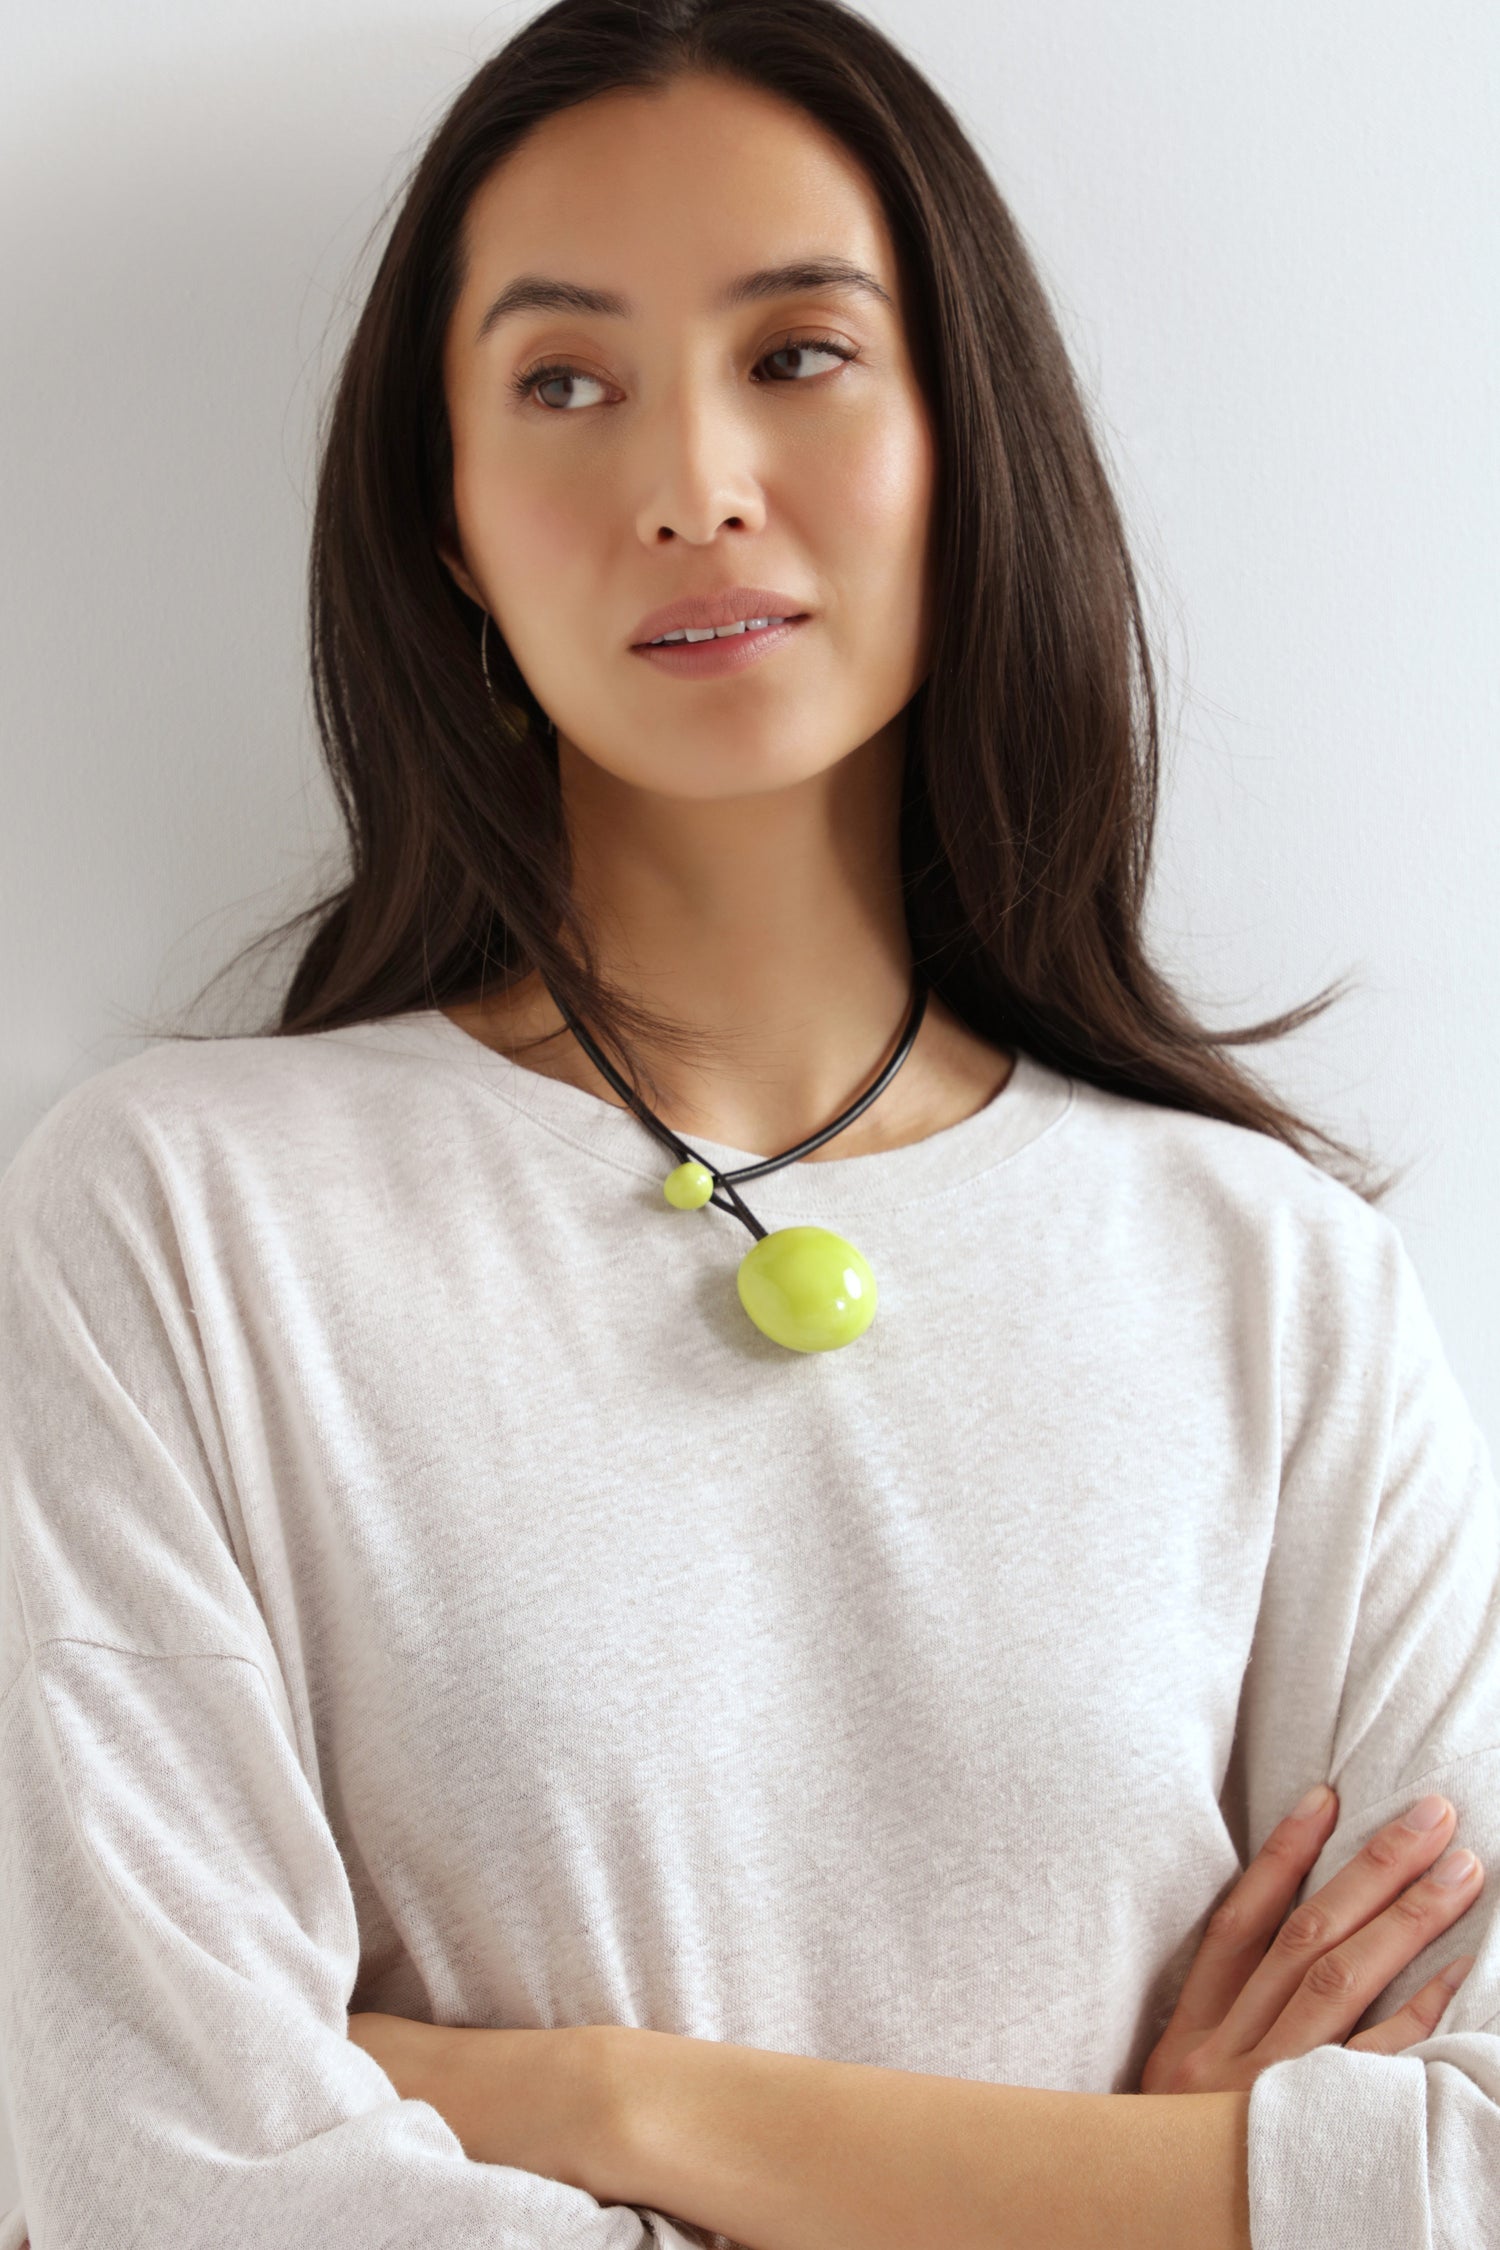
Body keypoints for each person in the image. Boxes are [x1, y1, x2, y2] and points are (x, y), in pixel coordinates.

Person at [1, 2, 1496, 2245]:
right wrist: (1165, 2194)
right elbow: (168, 2190)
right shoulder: (181, 1228)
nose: (689, 479)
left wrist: (616, 2106)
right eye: (565, 383)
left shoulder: (1270, 1280)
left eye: (797, 352)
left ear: (955, 434)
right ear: (448, 528)